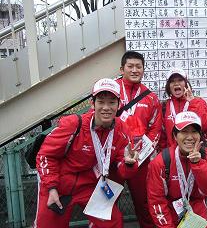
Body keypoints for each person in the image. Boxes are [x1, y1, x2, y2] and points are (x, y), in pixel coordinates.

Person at [34, 78, 139, 228]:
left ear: (119, 105)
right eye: (101, 102)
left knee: (113, 222)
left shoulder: (122, 130)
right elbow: (45, 155)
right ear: (92, 104)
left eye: (111, 102)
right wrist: (51, 187)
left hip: (90, 185)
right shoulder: (73, 124)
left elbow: (123, 169)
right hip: (58, 183)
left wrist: (129, 164)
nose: (106, 107)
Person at [147, 111, 207, 227]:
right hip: (171, 215)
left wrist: (198, 164)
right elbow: (156, 200)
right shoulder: (161, 161)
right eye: (184, 132)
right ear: (175, 136)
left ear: (200, 135)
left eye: (194, 132)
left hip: (198, 217)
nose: (189, 137)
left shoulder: (205, 155)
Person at [115, 51, 162, 227]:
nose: (134, 70)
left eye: (138, 67)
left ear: (143, 70)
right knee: (107, 204)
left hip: (141, 161)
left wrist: (139, 155)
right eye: (130, 66)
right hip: (114, 159)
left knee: (144, 204)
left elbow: (155, 130)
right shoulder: (111, 91)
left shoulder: (151, 97)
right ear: (122, 69)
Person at [158, 67, 207, 150]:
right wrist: (164, 153)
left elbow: (205, 126)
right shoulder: (164, 106)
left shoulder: (198, 102)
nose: (176, 83)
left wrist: (192, 103)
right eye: (172, 81)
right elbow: (162, 136)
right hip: (174, 155)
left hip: (196, 153)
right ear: (168, 86)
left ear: (186, 83)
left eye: (180, 80)